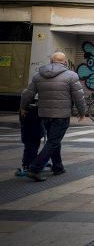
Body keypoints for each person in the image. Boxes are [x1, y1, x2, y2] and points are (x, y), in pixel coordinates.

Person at [19, 52, 87, 182]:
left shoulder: (38, 75)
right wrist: (82, 111)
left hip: (44, 114)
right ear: (65, 62)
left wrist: (23, 107)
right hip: (61, 115)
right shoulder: (71, 76)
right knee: (53, 141)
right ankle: (35, 168)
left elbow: (27, 94)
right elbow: (79, 96)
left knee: (53, 139)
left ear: (51, 61)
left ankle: (57, 166)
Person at [17, 95, 43, 177]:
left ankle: (26, 165)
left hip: (28, 134)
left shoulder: (23, 111)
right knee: (32, 148)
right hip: (34, 134)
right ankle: (30, 165)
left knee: (29, 148)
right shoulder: (35, 111)